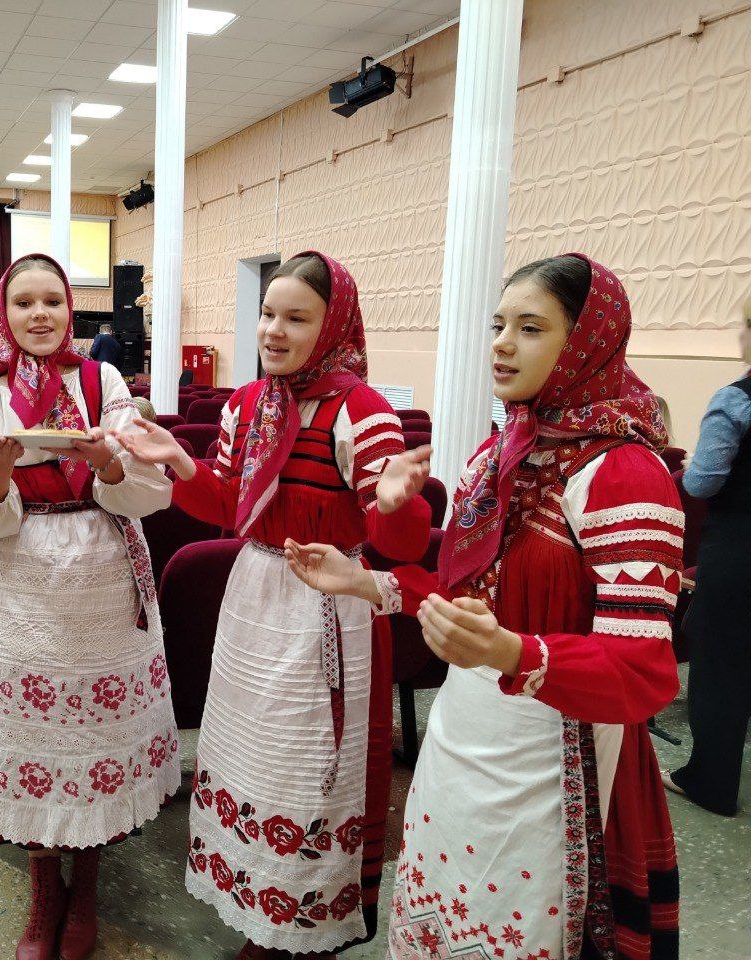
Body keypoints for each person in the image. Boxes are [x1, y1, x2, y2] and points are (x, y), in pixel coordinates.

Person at [288, 254, 683, 959]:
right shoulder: (499, 453)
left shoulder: (625, 475)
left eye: (530, 328)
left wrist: (512, 652)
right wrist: (366, 583)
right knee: (445, 913)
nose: (501, 344)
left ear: (586, 343)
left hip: (551, 755)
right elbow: (468, 603)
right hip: (462, 735)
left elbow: (643, 669)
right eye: (498, 324)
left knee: (515, 923)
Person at [116, 252, 426, 959]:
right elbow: (230, 505)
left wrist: (394, 505)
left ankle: (302, 925)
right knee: (250, 759)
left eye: (296, 318)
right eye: (267, 314)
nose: (274, 331)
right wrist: (180, 461)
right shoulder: (250, 404)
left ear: (333, 326)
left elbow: (401, 545)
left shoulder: (363, 413)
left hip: (324, 601)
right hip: (255, 593)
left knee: (306, 769)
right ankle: (262, 907)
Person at [0, 254, 179, 960]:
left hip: (103, 577)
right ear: (5, 314)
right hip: (22, 583)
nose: (39, 314)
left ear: (70, 309)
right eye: (24, 303)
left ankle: (89, 885)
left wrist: (108, 464)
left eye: (52, 300)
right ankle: (45, 890)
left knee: (94, 738)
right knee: (34, 739)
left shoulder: (103, 380)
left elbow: (149, 488)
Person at [665, 297, 751, 816]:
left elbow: (701, 482)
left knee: (720, 666)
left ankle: (710, 782)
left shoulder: (736, 400)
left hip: (739, 550)